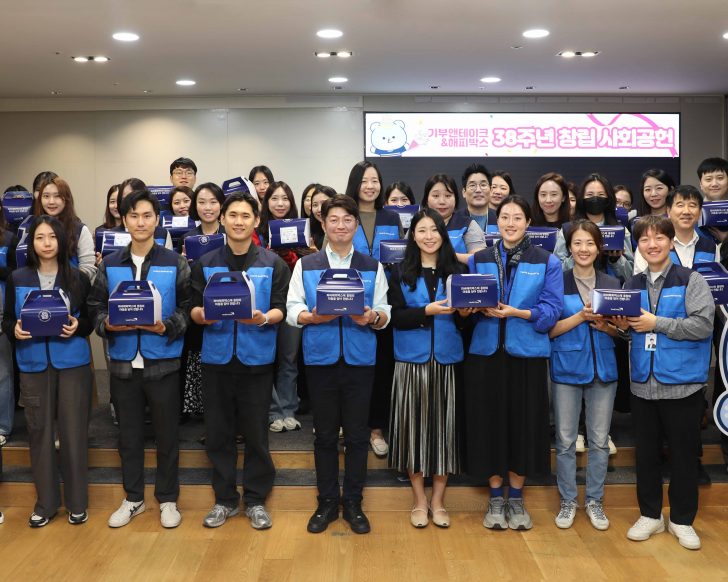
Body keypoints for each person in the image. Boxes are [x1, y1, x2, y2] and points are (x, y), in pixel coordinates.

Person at [286, 194, 390, 534]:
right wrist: (312, 317)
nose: (340, 225)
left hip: (360, 360)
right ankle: (328, 502)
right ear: (323, 224)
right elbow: (292, 309)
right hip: (321, 359)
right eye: (334, 219)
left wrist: (372, 317)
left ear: (356, 225)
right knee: (325, 436)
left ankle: (354, 502)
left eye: (347, 219)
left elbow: (384, 310)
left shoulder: (372, 265)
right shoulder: (307, 264)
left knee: (358, 436)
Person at [88, 188, 191, 530]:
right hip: (122, 364)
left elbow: (188, 308)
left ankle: (168, 499)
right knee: (128, 437)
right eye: (134, 216)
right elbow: (94, 307)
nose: (141, 222)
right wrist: (107, 324)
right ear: (124, 220)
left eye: (147, 215)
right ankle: (133, 497)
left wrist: (166, 326)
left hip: (163, 363)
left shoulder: (174, 262)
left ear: (157, 220)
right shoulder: (110, 263)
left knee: (167, 436)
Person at [190, 192, 290, 529]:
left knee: (256, 434)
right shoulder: (206, 263)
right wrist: (203, 315)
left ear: (256, 221)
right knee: (218, 433)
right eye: (232, 215)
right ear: (222, 219)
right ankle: (224, 500)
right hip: (217, 359)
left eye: (246, 216)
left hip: (256, 359)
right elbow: (193, 308)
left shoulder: (272, 263)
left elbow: (281, 308)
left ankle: (256, 500)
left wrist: (263, 318)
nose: (238, 221)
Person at [614, 216, 714, 551]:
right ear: (638, 246)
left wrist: (657, 323)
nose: (652, 244)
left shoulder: (691, 280)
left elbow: (702, 326)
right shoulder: (631, 284)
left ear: (671, 242)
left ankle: (682, 520)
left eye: (659, 238)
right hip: (643, 384)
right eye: (644, 239)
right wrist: (619, 327)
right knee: (646, 456)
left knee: (684, 456)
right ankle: (650, 515)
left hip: (683, 385)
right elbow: (629, 332)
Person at [465, 194, 563, 531]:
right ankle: (495, 497)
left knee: (524, 427)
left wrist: (519, 313)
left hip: (527, 355)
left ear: (528, 222)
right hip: (485, 355)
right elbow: (467, 310)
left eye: (517, 217)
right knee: (489, 425)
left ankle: (517, 498)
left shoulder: (547, 261)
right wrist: (471, 309)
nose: (510, 223)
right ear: (497, 221)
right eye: (504, 216)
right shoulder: (479, 259)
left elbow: (551, 311)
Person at [2, 216, 93, 527]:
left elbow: (89, 320)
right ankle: (46, 504)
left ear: (62, 241)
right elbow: (7, 320)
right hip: (33, 364)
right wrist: (14, 329)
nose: (46, 243)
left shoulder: (77, 277)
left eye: (52, 237)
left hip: (72, 363)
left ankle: (77, 503)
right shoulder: (17, 278)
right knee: (39, 433)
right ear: (31, 243)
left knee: (73, 434)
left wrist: (78, 325)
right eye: (40, 237)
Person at [388, 208, 467, 529]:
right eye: (422, 230)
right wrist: (426, 311)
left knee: (444, 431)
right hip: (411, 362)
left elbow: (469, 321)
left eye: (434, 230)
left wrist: (466, 314)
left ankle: (438, 501)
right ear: (413, 236)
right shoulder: (399, 271)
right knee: (413, 432)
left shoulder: (458, 271)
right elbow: (395, 317)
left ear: (443, 234)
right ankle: (419, 499)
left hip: (448, 360)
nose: (429, 236)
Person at [549, 220, 619, 531]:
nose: (583, 249)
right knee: (565, 441)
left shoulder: (612, 282)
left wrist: (607, 327)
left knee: (599, 441)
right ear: (569, 247)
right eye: (577, 243)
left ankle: (594, 501)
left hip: (604, 370)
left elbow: (623, 331)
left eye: (590, 243)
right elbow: (549, 330)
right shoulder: (557, 282)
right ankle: (567, 500)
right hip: (566, 369)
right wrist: (580, 316)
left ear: (599, 247)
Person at [344, 161, 400, 457]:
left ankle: (376, 429)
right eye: (364, 180)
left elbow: (403, 255)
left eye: (375, 180)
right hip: (347, 302)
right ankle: (349, 424)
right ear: (355, 183)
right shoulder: (344, 215)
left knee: (381, 367)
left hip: (383, 302)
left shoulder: (391, 216)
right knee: (349, 368)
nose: (370, 186)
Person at [258, 181, 309, 432]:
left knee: (289, 359)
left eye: (285, 198)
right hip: (265, 304)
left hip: (293, 303)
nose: (280, 203)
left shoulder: (303, 233)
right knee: (266, 359)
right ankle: (272, 411)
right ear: (266, 202)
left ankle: (288, 409)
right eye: (274, 198)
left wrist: (306, 251)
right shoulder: (257, 233)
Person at [178, 183, 227, 418]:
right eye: (202, 202)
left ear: (221, 205)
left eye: (213, 202)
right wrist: (183, 262)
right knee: (198, 352)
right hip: (197, 302)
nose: (208, 207)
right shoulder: (188, 237)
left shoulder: (230, 233)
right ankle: (201, 409)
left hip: (226, 301)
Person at [555, 173, 634, 282]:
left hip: (609, 289)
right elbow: (556, 271)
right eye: (590, 194)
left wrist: (616, 260)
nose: (595, 198)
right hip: (573, 289)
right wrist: (577, 255)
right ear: (582, 198)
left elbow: (630, 276)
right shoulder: (567, 230)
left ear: (608, 198)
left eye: (601, 194)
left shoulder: (620, 231)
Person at [633, 185, 717, 273]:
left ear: (700, 213)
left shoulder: (711, 247)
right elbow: (641, 279)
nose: (686, 211)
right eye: (680, 205)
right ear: (668, 211)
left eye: (692, 206)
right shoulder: (650, 246)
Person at [34, 178, 96, 280]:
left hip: (73, 286)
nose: (51, 201)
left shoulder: (80, 230)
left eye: (57, 196)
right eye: (46, 196)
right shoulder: (32, 228)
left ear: (66, 199)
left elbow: (88, 268)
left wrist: (65, 283)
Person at [421, 173, 486, 264]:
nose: (442, 201)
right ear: (426, 200)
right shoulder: (418, 224)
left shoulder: (467, 224)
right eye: (436, 196)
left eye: (448, 196)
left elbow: (479, 259)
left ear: (455, 199)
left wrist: (448, 256)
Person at [0, 200, 18, 446]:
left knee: (3, 374)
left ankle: (3, 425)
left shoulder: (9, 238)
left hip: (2, 311)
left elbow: (16, 273)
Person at [117, 178, 174, 249]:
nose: (140, 223)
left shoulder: (162, 233)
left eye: (147, 216)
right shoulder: (111, 234)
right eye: (125, 198)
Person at [460, 163, 496, 233]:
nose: (478, 190)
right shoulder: (453, 221)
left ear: (491, 190)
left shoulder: (501, 218)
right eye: (472, 185)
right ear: (464, 192)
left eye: (483, 185)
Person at [309, 185, 336, 250]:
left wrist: (317, 254)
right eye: (315, 205)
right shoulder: (310, 232)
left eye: (324, 203)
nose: (319, 209)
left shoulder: (341, 229)